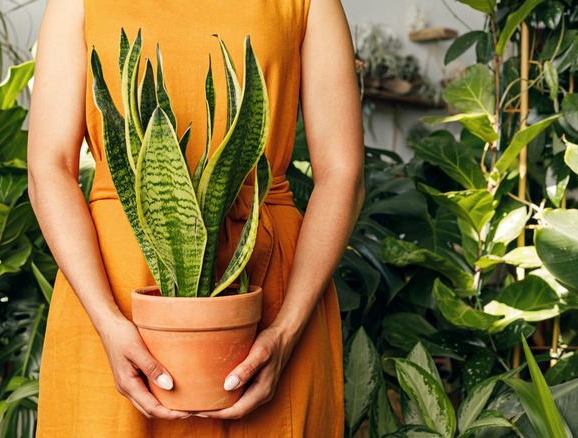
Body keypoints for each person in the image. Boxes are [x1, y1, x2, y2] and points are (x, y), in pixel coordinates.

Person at [27, 0, 364, 435]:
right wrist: (107, 322)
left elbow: (342, 173)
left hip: (271, 299)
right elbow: (47, 167)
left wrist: (287, 329)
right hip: (110, 298)